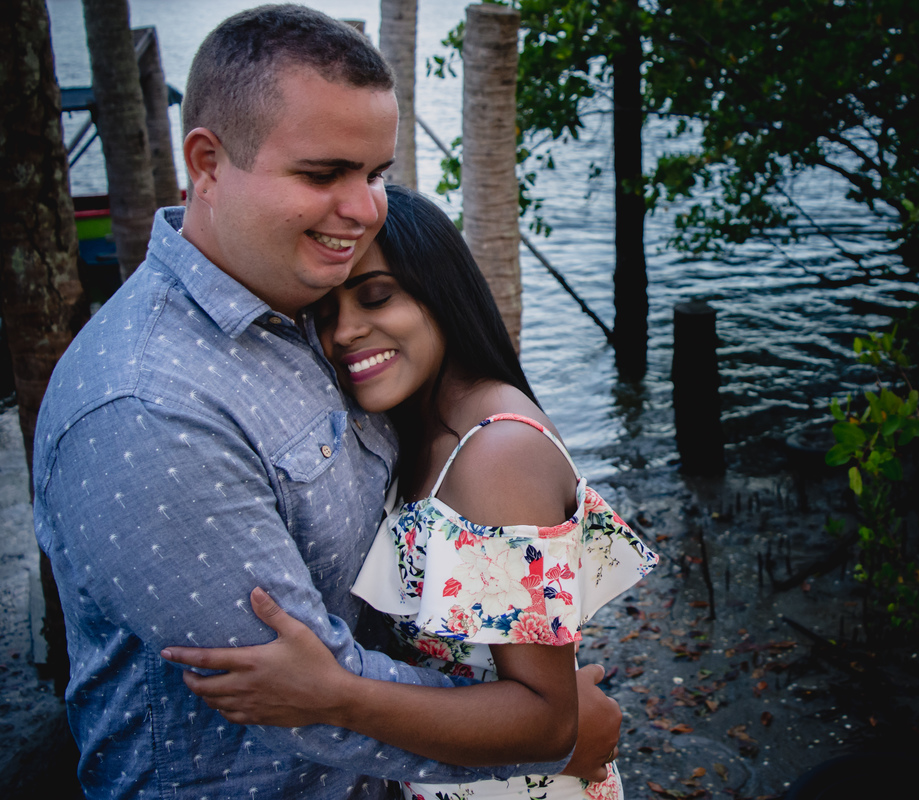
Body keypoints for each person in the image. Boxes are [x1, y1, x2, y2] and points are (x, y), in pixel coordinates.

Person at [32, 6, 618, 799]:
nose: (364, 208)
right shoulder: (150, 408)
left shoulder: (301, 303)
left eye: (375, 173)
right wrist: (548, 732)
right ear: (205, 163)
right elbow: (301, 699)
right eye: (321, 174)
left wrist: (538, 705)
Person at [161, 184, 659, 800]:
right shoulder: (412, 430)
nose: (344, 332)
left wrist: (334, 693)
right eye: (324, 312)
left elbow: (548, 716)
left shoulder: (496, 455)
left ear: (442, 294)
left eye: (377, 297)